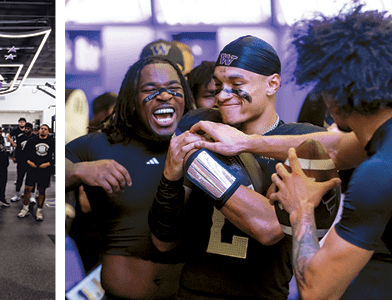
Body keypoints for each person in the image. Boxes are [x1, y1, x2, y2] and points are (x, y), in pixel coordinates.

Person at [189, 6, 392, 299]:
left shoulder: (377, 173)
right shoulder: (380, 138)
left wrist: (300, 209)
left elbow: (316, 291)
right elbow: (333, 147)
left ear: (336, 92)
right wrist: (245, 142)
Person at [149, 35, 326, 299]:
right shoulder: (202, 126)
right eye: (219, 85)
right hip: (193, 292)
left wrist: (200, 163)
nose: (222, 95)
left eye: (236, 83)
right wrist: (170, 176)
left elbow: (268, 229)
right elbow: (163, 241)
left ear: (272, 84)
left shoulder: (302, 140)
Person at [66, 56, 194, 299]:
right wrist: (80, 170)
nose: (164, 95)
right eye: (151, 89)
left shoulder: (197, 146)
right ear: (132, 101)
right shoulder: (100, 145)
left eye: (174, 89)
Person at [18, 124, 54, 221]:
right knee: (27, 189)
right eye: (41, 129)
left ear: (48, 131)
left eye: (45, 129)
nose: (43, 130)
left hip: (44, 170)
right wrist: (29, 162)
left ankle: (39, 211)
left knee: (41, 191)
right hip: (33, 169)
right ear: (39, 130)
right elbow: (24, 154)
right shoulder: (32, 141)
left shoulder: (52, 142)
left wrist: (48, 163)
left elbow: (56, 156)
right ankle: (25, 208)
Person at [11, 122, 33, 202]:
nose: (26, 130)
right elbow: (17, 148)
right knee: (19, 178)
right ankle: (17, 195)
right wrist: (14, 156)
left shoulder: (34, 137)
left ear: (31, 129)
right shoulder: (20, 137)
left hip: (31, 161)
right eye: (25, 128)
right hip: (21, 160)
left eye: (28, 128)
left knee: (31, 179)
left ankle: (31, 196)